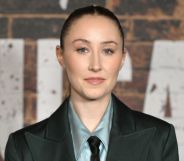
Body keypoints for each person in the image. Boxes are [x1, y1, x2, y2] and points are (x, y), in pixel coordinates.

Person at [5, 5, 179, 161]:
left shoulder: (160, 139)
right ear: (61, 56)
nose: (95, 65)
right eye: (82, 49)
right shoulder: (23, 148)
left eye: (108, 50)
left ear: (122, 59)